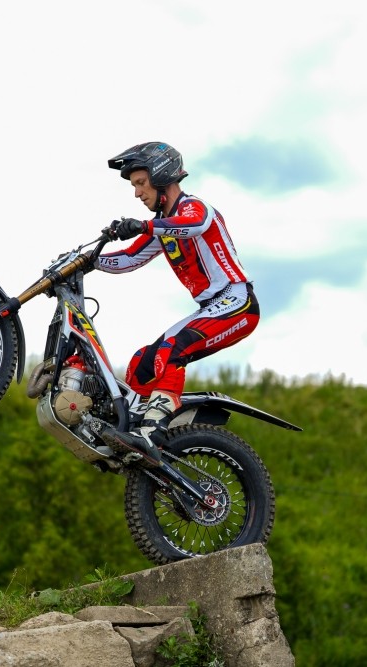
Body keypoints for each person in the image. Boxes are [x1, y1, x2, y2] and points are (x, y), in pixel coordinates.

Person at [92, 141, 260, 465]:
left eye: (141, 183)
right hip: (210, 308)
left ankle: (153, 429)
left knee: (173, 349)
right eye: (135, 186)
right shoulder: (162, 225)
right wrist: (88, 261)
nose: (137, 193)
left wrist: (143, 226)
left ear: (160, 176)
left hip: (237, 301)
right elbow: (130, 258)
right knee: (141, 365)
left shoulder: (193, 208)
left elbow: (193, 225)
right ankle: (142, 436)